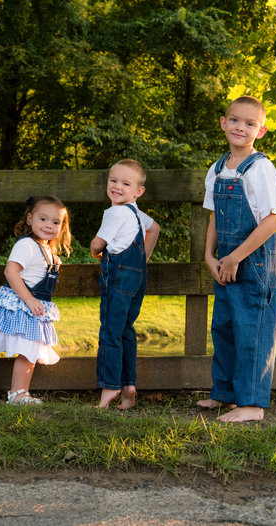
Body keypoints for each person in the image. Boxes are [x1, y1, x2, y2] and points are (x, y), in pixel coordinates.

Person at [198, 95, 276, 423]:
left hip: (254, 263)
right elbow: (215, 216)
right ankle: (226, 394)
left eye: (250, 124)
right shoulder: (218, 169)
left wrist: (234, 257)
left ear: (260, 131)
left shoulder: (260, 168)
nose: (240, 128)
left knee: (252, 331)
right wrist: (210, 255)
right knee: (225, 328)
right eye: (235, 120)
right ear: (223, 122)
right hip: (226, 263)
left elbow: (271, 221)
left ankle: (252, 405)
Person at [0, 195, 72, 405]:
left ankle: (21, 393)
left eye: (55, 222)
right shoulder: (26, 245)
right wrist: (28, 299)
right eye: (43, 219)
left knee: (31, 352)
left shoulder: (47, 249)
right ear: (29, 219)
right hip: (24, 306)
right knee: (27, 351)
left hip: (34, 308)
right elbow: (11, 272)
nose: (49, 225)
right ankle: (17, 394)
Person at [90, 159, 160, 409]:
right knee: (126, 330)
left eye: (125, 183)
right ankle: (129, 386)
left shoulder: (116, 212)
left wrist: (94, 250)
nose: (117, 186)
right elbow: (155, 229)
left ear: (138, 191)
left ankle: (110, 387)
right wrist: (144, 259)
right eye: (113, 181)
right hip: (138, 277)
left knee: (110, 330)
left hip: (118, 279)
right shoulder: (137, 213)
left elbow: (97, 245)